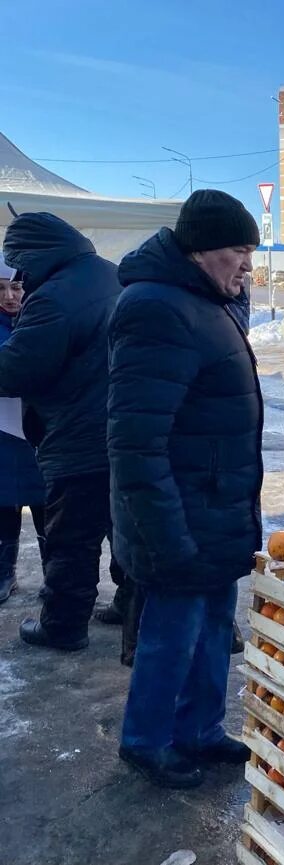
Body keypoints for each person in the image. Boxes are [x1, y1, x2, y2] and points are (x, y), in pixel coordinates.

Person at [109, 190, 262, 788]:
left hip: (216, 504)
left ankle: (200, 729)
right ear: (201, 251)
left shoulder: (205, 301)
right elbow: (136, 440)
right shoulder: (156, 308)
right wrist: (162, 532)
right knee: (171, 635)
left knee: (214, 629)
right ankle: (146, 741)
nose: (248, 265)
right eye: (238, 251)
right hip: (177, 513)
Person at [0, 212, 124, 650]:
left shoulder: (54, 296)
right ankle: (129, 601)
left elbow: (17, 370)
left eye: (19, 262)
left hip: (79, 434)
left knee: (71, 536)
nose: (19, 274)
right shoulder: (110, 274)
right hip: (123, 427)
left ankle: (63, 625)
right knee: (122, 524)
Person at [0, 257, 45, 603]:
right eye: (1, 288)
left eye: (16, 287)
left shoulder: (39, 321)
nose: (10, 296)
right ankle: (5, 573)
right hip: (3, 431)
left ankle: (55, 577)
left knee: (47, 507)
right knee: (4, 504)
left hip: (40, 429)